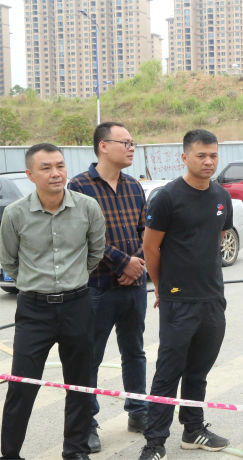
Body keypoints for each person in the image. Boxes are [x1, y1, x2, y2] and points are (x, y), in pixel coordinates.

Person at [0, 143, 106, 460]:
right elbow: (9, 260)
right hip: (34, 310)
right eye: (45, 167)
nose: (55, 173)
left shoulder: (87, 208)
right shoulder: (15, 213)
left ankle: (75, 450)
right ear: (30, 174)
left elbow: (95, 253)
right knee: (22, 384)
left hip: (77, 306)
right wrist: (35, 285)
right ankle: (10, 454)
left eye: (60, 165)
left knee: (80, 384)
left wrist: (73, 280)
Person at [138, 130, 233, 460]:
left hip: (212, 299)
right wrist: (162, 286)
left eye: (213, 155)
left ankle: (193, 430)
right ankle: (154, 443)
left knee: (198, 371)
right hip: (178, 301)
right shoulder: (167, 197)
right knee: (168, 373)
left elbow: (217, 237)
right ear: (185, 157)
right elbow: (151, 247)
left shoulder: (221, 196)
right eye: (200, 155)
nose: (208, 161)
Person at [67, 122, 149, 453]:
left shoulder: (134, 186)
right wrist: (122, 263)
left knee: (135, 352)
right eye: (125, 142)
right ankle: (86, 422)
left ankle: (139, 412)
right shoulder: (79, 186)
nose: (131, 148)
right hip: (97, 288)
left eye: (132, 142)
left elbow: (145, 232)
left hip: (134, 287)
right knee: (90, 357)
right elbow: (82, 236)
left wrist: (136, 264)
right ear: (103, 146)